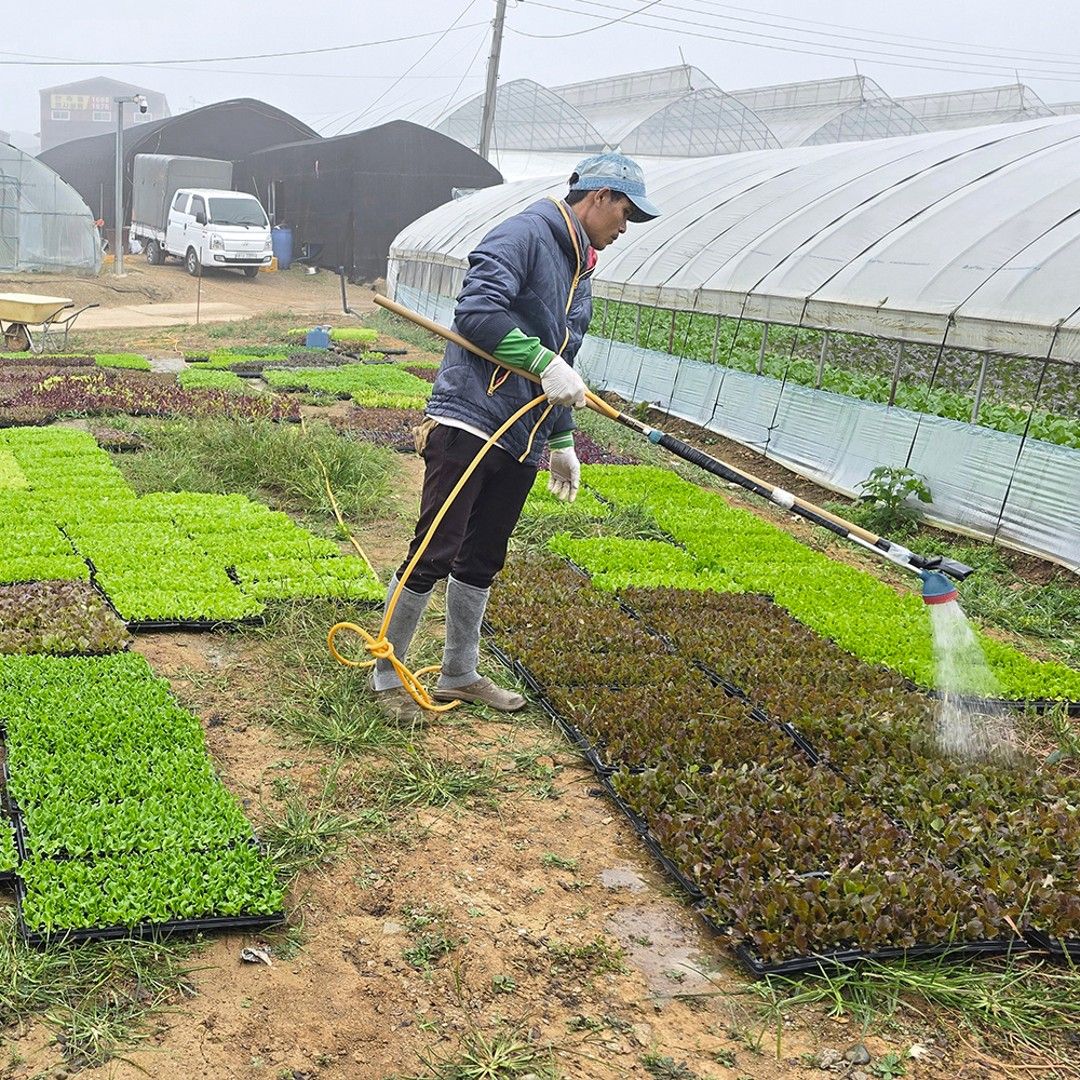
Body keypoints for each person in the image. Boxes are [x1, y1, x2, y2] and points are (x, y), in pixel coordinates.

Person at [372, 152, 660, 719]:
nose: (625, 227)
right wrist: (542, 362)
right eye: (625, 212)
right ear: (599, 196)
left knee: (482, 556)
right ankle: (385, 676)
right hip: (472, 417)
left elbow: (563, 362)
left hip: (522, 434)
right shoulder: (527, 232)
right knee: (435, 548)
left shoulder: (582, 267)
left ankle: (459, 673)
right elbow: (477, 314)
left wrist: (560, 441)